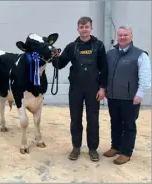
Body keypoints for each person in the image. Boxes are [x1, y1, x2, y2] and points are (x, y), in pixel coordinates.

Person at [52, 16, 108, 161]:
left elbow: (105, 68)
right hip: (76, 89)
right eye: (81, 27)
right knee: (75, 119)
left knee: (93, 119)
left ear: (91, 28)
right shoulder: (72, 47)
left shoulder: (99, 46)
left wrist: (102, 88)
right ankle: (76, 147)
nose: (84, 29)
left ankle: (93, 149)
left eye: (86, 27)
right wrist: (54, 57)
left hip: (93, 89)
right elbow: (59, 64)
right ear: (78, 29)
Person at [103, 25, 151, 164]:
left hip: (131, 97)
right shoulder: (111, 54)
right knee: (115, 123)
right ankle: (115, 146)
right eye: (120, 35)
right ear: (117, 36)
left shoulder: (140, 55)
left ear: (131, 36)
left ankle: (126, 152)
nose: (122, 37)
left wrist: (140, 94)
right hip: (113, 96)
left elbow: (145, 77)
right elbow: (106, 73)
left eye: (126, 35)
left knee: (129, 125)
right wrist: (105, 89)